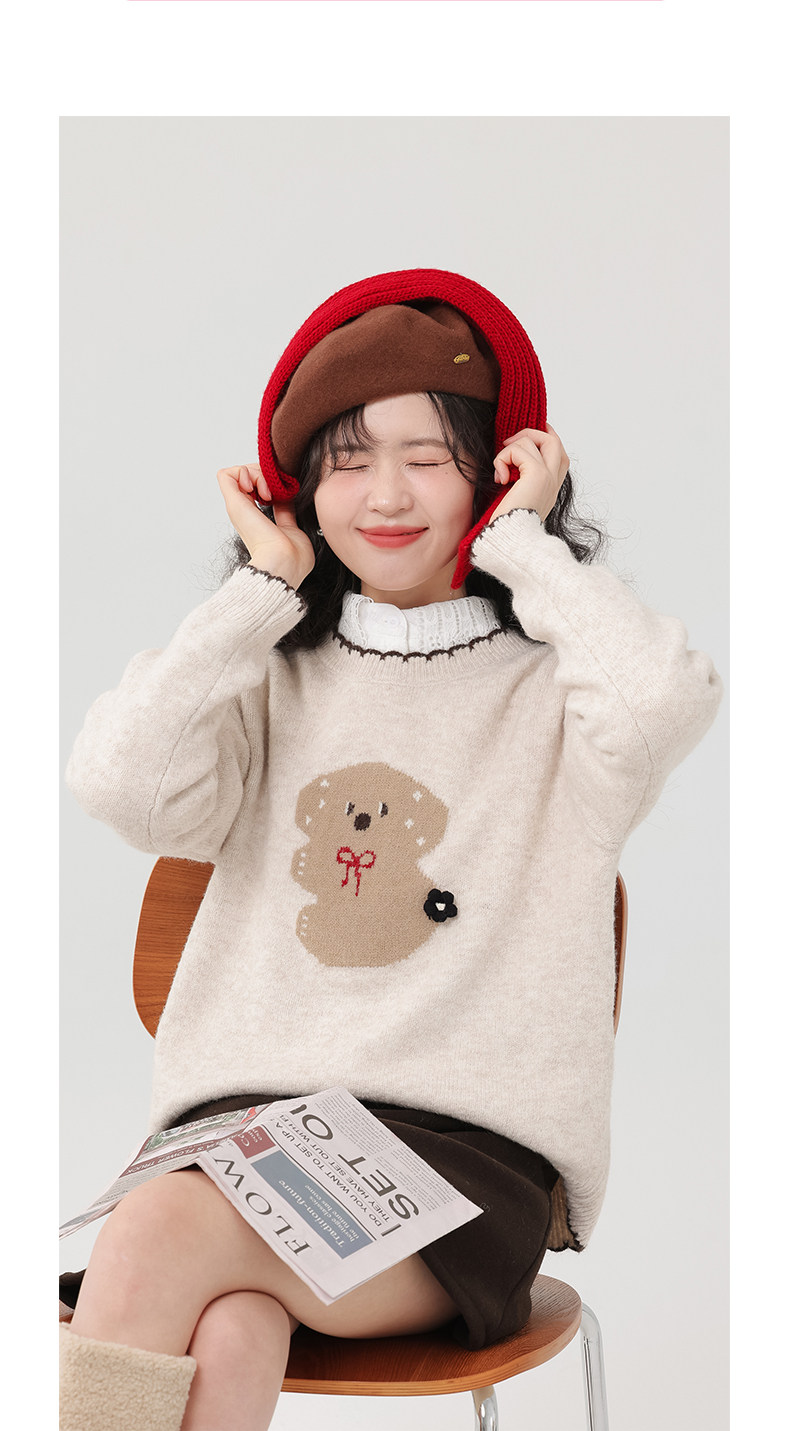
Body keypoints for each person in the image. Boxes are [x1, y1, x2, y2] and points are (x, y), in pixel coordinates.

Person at [59, 268, 724, 1431]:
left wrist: (527, 549)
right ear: (298, 489)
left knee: (156, 1234)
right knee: (228, 1324)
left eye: (428, 457)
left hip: (456, 1174)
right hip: (240, 1145)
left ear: (495, 472)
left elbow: (661, 702)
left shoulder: (558, 694)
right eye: (347, 460)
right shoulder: (264, 681)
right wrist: (259, 592)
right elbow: (122, 785)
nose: (385, 495)